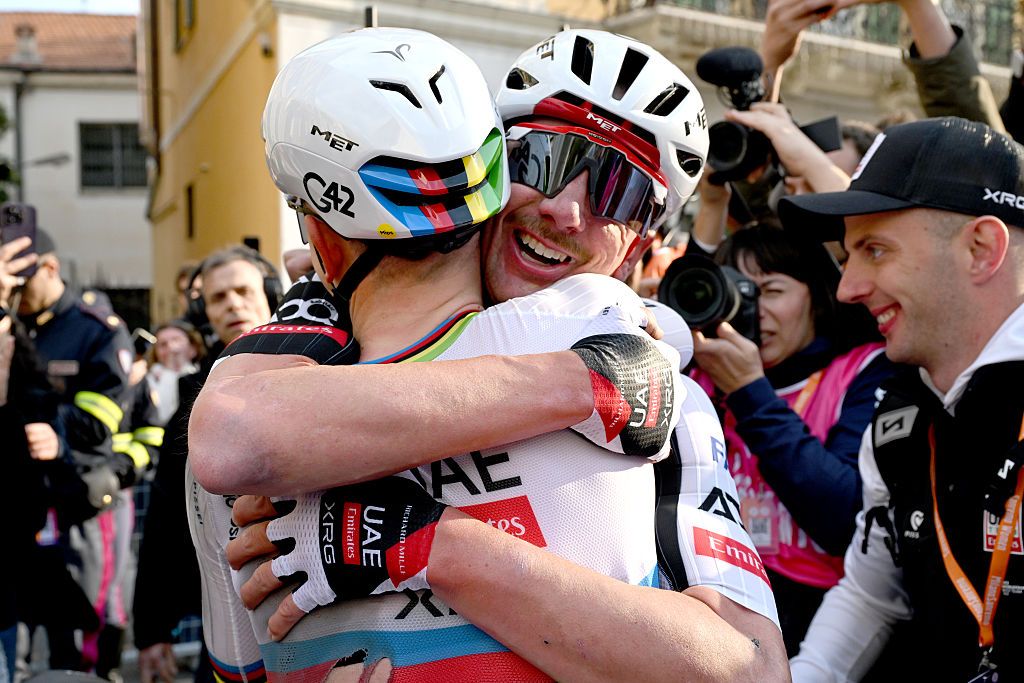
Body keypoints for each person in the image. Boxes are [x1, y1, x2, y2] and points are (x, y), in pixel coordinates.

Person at [189, 28, 788, 682]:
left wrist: (428, 545)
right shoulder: (314, 334)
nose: (564, 209)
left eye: (617, 193)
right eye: (543, 160)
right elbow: (230, 440)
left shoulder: (673, 395)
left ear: (640, 244)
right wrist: (582, 382)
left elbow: (753, 671)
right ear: (487, 167)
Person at [778, 116, 1024, 680]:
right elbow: (871, 593)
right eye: (848, 256)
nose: (847, 288)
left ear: (981, 248)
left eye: (875, 250)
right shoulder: (898, 416)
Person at [689, 224, 893, 654]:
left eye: (771, 291)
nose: (754, 310)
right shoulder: (698, 377)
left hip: (819, 625)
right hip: (707, 612)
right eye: (737, 292)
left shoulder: (864, 371)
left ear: (816, 295)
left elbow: (845, 520)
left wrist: (749, 393)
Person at [132, 247, 277, 683]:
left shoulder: (326, 364)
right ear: (203, 313)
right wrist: (152, 628)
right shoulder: (196, 396)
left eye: (243, 291)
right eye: (218, 297)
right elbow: (166, 517)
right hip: (228, 620)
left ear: (270, 294)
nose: (233, 304)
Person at [145, 321, 203, 426]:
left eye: (176, 340)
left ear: (193, 349)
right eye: (163, 344)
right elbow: (162, 417)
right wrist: (170, 373)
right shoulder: (147, 382)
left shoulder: (206, 376)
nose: (171, 347)